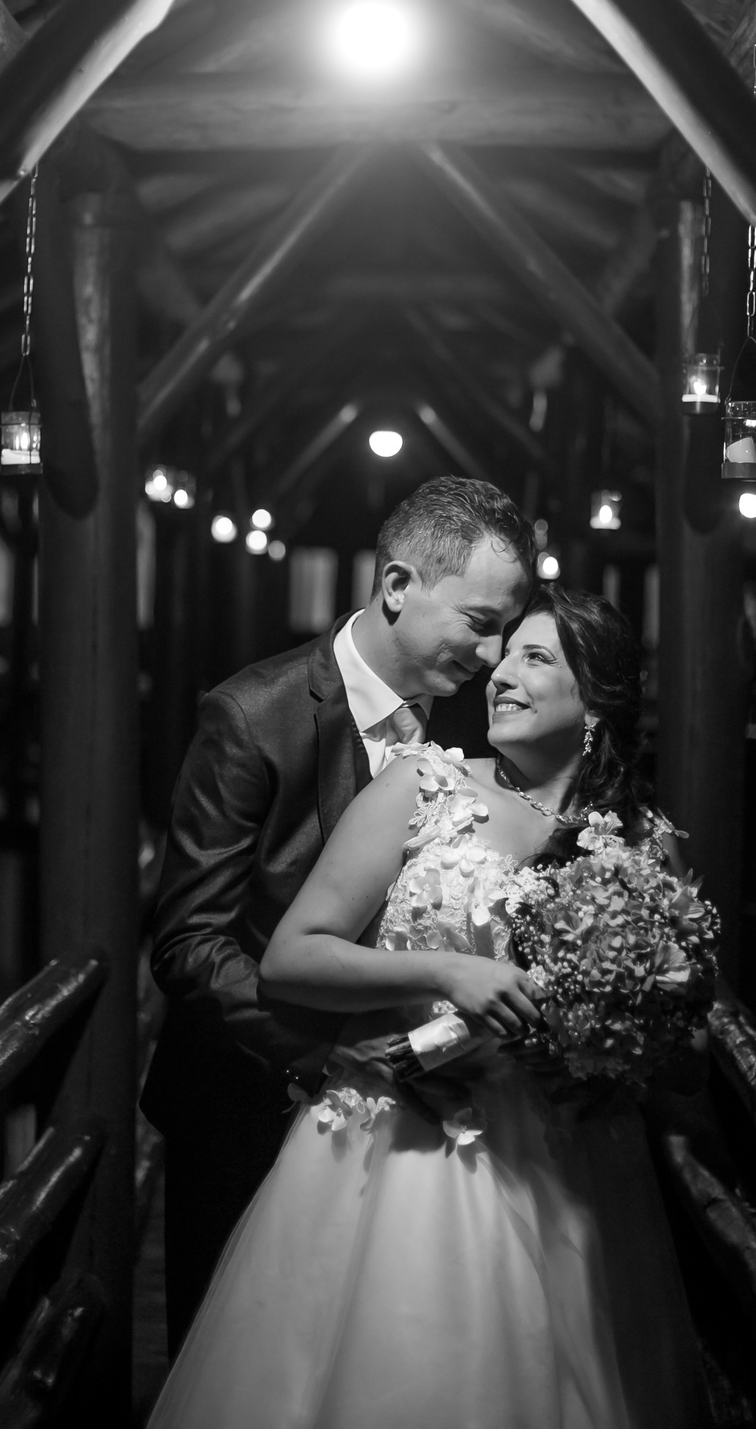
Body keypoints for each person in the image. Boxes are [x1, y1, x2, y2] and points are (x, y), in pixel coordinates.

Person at [147, 584, 712, 1429]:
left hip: (576, 1167)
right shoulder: (425, 784)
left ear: (595, 701)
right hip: (412, 1141)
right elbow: (293, 957)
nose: (499, 674)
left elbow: (686, 1047)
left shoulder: (645, 843)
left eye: (533, 658)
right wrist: (448, 974)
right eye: (501, 653)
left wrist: (603, 1051)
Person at [142, 477, 536, 1353]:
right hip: (248, 1097)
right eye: (479, 622)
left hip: (424, 1111)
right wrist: (330, 1051)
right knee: (239, 1361)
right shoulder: (252, 716)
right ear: (397, 586)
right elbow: (188, 942)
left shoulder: (482, 722)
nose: (493, 654)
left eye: (508, 630)